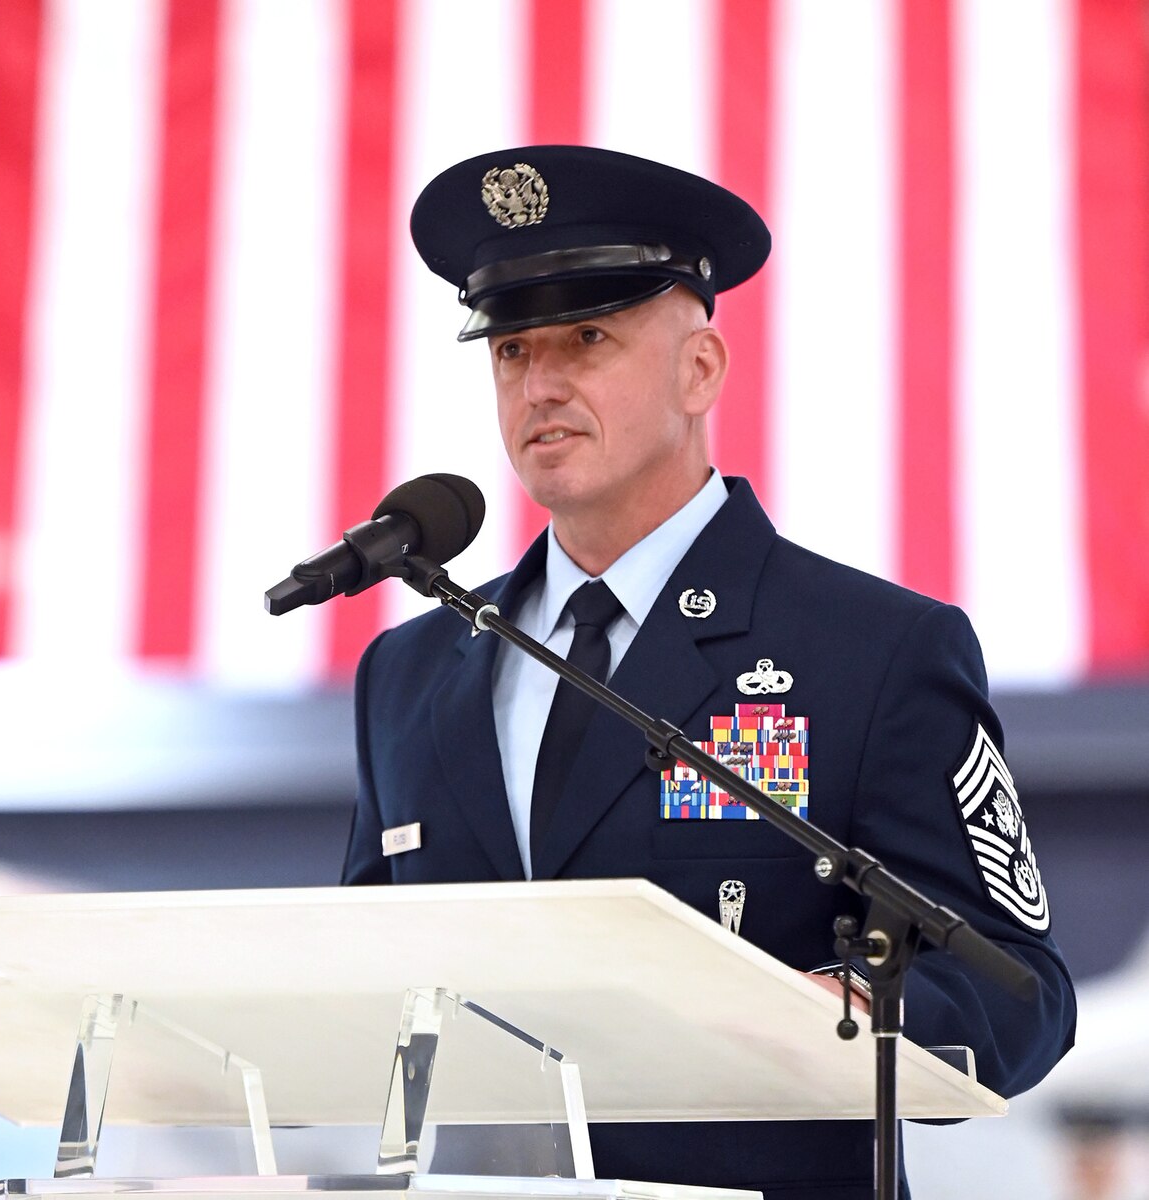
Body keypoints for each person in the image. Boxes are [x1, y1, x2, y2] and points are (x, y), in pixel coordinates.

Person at [342, 145, 1076, 1199]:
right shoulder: (410, 674)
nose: (539, 384)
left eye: (586, 339)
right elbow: (360, 984)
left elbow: (1019, 988)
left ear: (701, 370)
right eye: (510, 351)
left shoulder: (870, 651)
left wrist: (851, 1017)